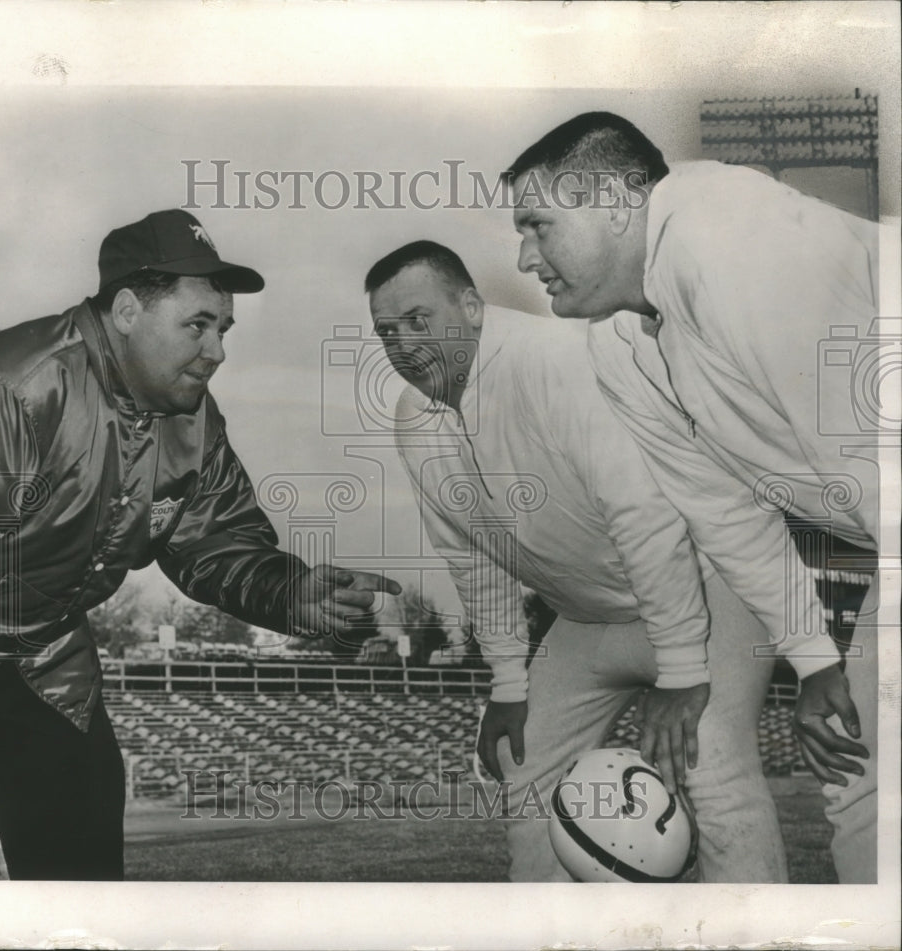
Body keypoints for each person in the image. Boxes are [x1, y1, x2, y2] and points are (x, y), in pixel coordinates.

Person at [0, 209, 401, 880]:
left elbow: (215, 537)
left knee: (79, 863)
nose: (217, 350)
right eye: (197, 324)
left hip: (36, 644)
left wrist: (291, 591)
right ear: (128, 308)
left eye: (223, 329)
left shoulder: (189, 414)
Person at [504, 112, 885, 883]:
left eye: (539, 225)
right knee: (862, 781)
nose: (525, 255)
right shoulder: (620, 343)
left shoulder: (737, 243)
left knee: (879, 790)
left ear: (614, 200)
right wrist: (814, 661)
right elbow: (726, 512)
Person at [366, 239, 791, 883]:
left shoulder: (557, 361)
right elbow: (472, 559)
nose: (402, 344)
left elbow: (644, 513)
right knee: (524, 763)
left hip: (710, 581)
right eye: (386, 330)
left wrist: (681, 670)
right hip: (589, 615)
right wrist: (509, 684)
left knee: (712, 767)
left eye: (418, 320)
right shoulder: (414, 419)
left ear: (474, 308)